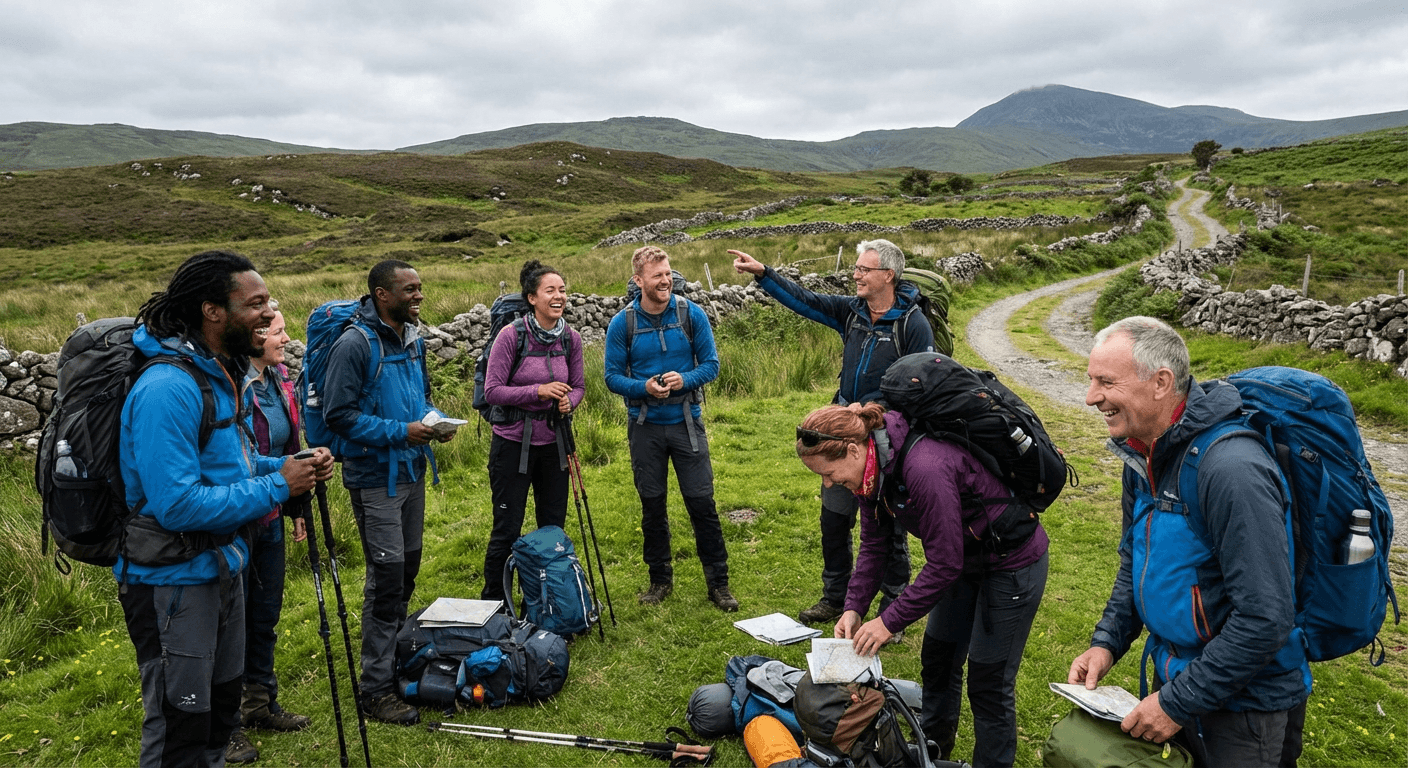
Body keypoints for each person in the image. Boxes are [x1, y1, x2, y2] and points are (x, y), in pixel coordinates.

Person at [118, 250, 332, 767]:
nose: (267, 313)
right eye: (255, 303)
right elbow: (177, 505)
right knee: (180, 728)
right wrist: (279, 486)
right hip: (172, 581)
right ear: (212, 310)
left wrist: (286, 464)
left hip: (223, 565)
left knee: (218, 719)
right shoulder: (168, 387)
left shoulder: (217, 372)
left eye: (268, 301)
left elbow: (233, 465)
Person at [1068, 316, 1308, 768]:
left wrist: (1178, 702)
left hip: (1243, 707)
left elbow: (1266, 616)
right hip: (1176, 680)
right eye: (1090, 380)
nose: (1091, 396)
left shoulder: (1231, 468)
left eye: (1105, 382)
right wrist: (1107, 642)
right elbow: (1135, 559)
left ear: (1161, 382)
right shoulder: (1142, 452)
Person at [796, 403, 1048, 768]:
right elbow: (874, 545)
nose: (829, 483)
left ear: (853, 449)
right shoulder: (870, 474)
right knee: (938, 661)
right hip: (965, 560)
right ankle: (932, 755)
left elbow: (944, 563)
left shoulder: (924, 467)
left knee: (988, 683)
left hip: (1012, 562)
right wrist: (854, 606)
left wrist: (887, 622)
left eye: (830, 473)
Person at [732, 241, 932, 634]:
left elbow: (923, 385)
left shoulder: (912, 323)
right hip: (840, 437)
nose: (855, 275)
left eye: (864, 269)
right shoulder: (853, 313)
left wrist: (875, 411)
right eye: (855, 268)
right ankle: (835, 597)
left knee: (885, 524)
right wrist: (764, 274)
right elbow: (808, 301)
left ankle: (894, 607)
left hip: (885, 438)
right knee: (834, 517)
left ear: (888, 275)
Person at [323, 259, 457, 725]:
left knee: (408, 570)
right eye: (409, 289)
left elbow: (419, 396)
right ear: (382, 294)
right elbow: (339, 415)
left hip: (412, 471)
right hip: (374, 478)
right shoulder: (354, 345)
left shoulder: (411, 338)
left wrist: (434, 421)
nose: (419, 296)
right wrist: (402, 431)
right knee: (386, 582)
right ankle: (375, 690)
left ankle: (394, 663)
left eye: (420, 287)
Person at [604, 245, 736, 611]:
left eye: (668, 273)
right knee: (652, 505)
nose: (665, 281)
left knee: (702, 503)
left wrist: (685, 379)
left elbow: (711, 364)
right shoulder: (623, 323)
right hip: (644, 427)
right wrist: (642, 387)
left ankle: (719, 584)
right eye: (657, 275)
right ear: (638, 280)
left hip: (686, 423)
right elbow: (612, 377)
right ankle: (659, 581)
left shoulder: (691, 314)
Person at [226, 302, 314, 763]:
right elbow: (239, 461)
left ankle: (260, 704)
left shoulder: (280, 381)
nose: (285, 339)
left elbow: (289, 446)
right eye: (278, 332)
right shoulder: (236, 385)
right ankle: (227, 724)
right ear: (255, 337)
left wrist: (297, 503)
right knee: (231, 626)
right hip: (236, 522)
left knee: (265, 615)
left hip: (271, 515)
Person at [480, 260, 585, 603]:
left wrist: (572, 401)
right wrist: (537, 391)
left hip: (555, 444)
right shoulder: (511, 336)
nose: (559, 297)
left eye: (563, 290)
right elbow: (492, 391)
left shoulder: (571, 339)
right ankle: (496, 603)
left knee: (553, 527)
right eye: (550, 291)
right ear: (531, 298)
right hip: (512, 446)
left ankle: (545, 602)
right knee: (506, 528)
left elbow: (580, 386)